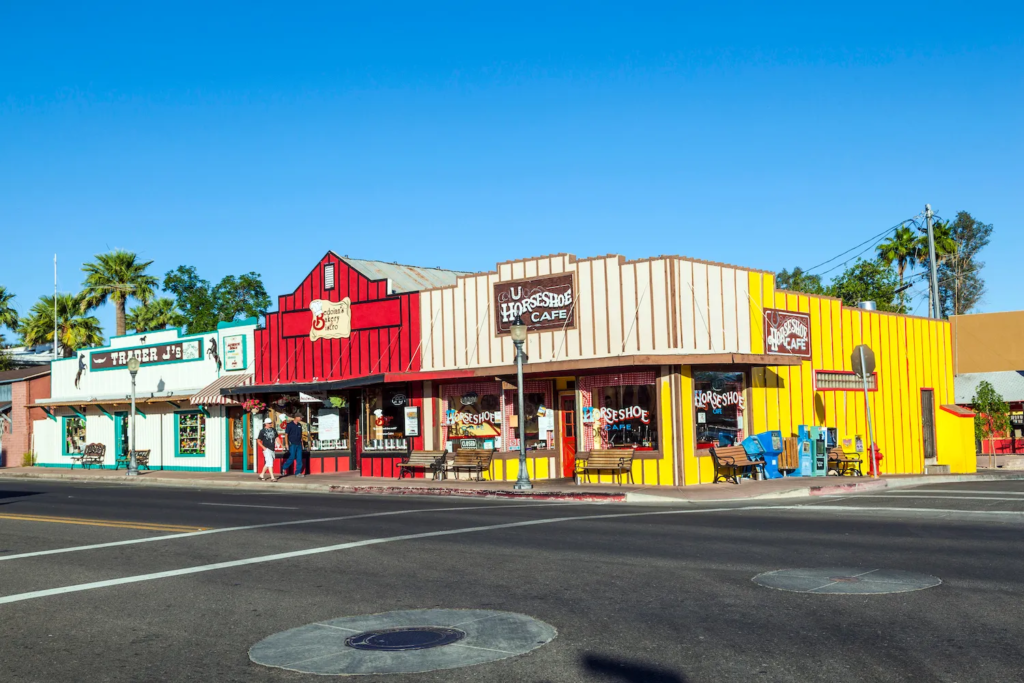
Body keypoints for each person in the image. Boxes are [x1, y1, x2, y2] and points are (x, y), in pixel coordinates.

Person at [257, 417, 278, 482]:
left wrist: (281, 444)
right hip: (266, 449)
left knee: (268, 462)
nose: (270, 424)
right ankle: (272, 477)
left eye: (271, 423)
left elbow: (277, 437)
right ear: (265, 424)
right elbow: (258, 440)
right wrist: (263, 447)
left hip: (272, 448)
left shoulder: (274, 430)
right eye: (269, 423)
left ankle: (261, 474)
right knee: (270, 463)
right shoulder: (262, 431)